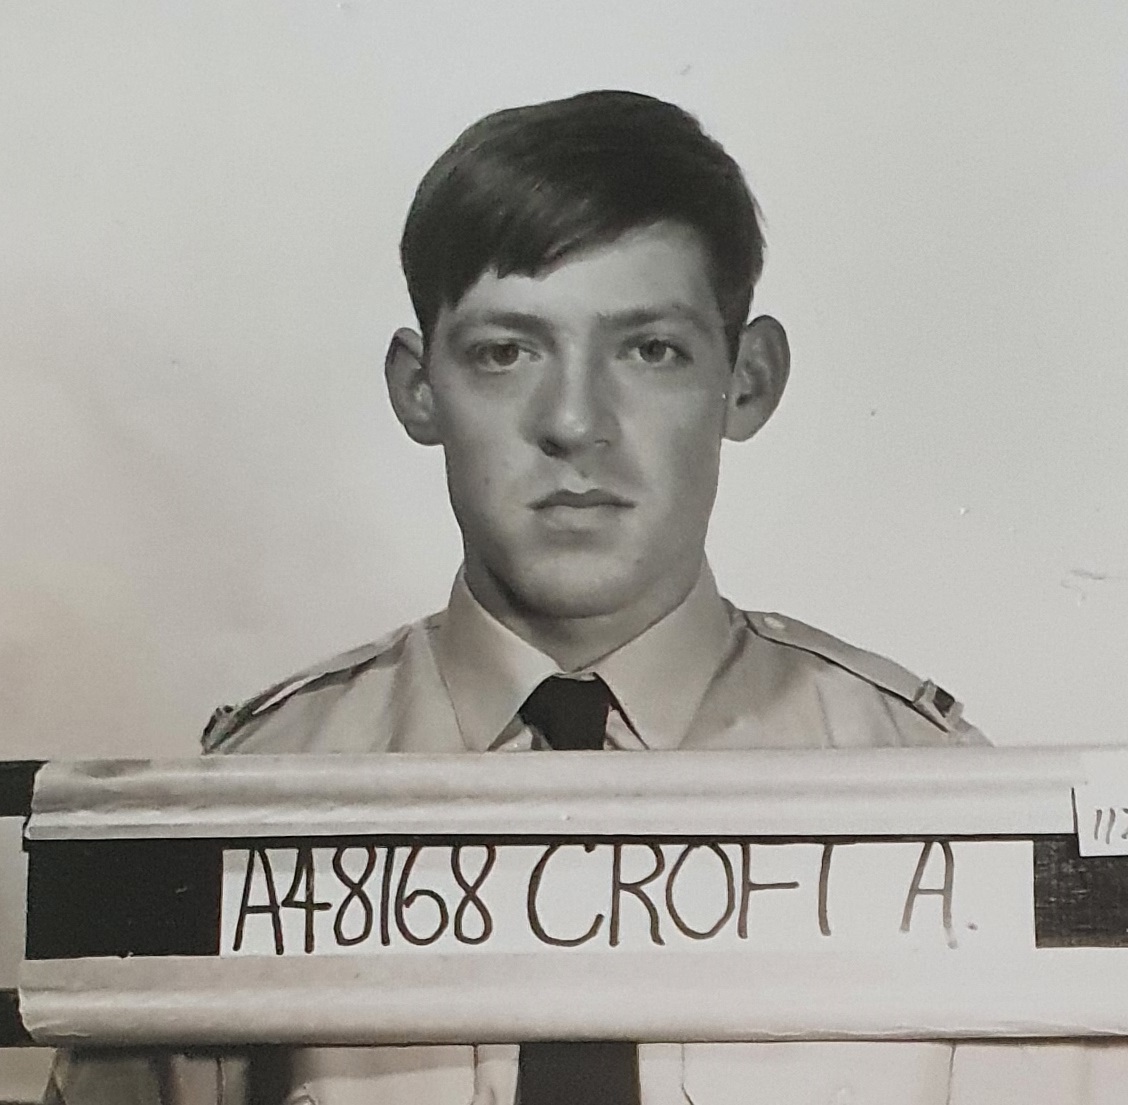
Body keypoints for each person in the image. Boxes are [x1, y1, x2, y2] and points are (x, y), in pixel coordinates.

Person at [46, 90, 991, 1105]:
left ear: (748, 380)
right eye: (506, 351)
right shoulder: (246, 810)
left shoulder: (943, 801)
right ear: (419, 387)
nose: (575, 421)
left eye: (651, 349)